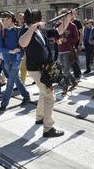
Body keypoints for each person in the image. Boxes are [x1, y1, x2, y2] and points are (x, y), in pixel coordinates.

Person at [19, 8, 71, 138]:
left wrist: (67, 19)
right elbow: (22, 43)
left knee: (44, 92)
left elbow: (59, 31)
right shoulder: (25, 30)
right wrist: (33, 27)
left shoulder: (41, 30)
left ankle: (40, 117)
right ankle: (48, 128)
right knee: (49, 96)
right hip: (36, 69)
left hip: (45, 68)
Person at [0, 11, 30, 113]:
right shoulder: (0, 32)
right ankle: (26, 95)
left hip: (17, 58)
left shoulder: (19, 30)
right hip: (7, 59)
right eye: (3, 20)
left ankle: (4, 104)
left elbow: (24, 44)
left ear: (11, 19)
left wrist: (20, 50)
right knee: (16, 79)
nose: (5, 21)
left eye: (7, 19)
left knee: (10, 82)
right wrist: (10, 51)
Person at [55, 8, 79, 97]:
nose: (62, 18)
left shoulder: (72, 26)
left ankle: (65, 89)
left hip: (68, 51)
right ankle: (74, 82)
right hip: (60, 50)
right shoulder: (58, 25)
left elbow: (76, 38)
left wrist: (67, 40)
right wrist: (60, 41)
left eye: (64, 16)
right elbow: (55, 38)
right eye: (61, 16)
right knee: (63, 69)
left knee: (65, 71)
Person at [17, 12, 28, 85]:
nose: (21, 19)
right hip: (21, 50)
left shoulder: (25, 26)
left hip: (26, 50)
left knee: (23, 68)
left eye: (22, 18)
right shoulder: (19, 27)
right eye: (20, 18)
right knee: (23, 68)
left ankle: (22, 83)